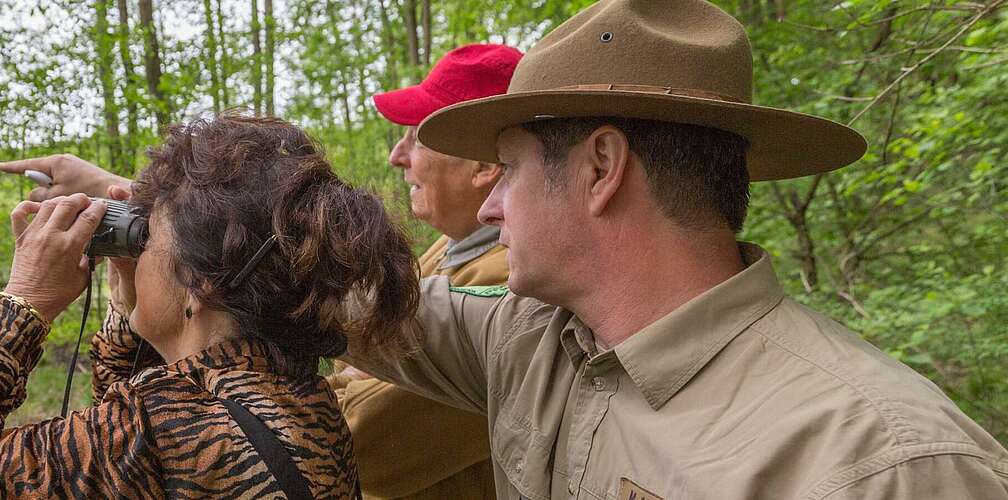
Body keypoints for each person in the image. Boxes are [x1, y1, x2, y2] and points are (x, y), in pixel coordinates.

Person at [341, 0, 1008, 498]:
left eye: (509, 168)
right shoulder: (534, 341)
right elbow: (348, 299)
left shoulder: (887, 465)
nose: (490, 205)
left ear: (601, 169)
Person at [0, 113, 423, 498]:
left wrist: (24, 302)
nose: (139, 249)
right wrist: (128, 299)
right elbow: (132, 405)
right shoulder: (294, 388)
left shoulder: (162, 435)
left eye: (149, 238)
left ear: (200, 285)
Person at [325, 43, 520, 500]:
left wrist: (359, 379)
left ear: (485, 165)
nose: (397, 155)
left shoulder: (511, 280)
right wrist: (358, 378)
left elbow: (359, 443)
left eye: (417, 134)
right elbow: (348, 352)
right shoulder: (451, 245)